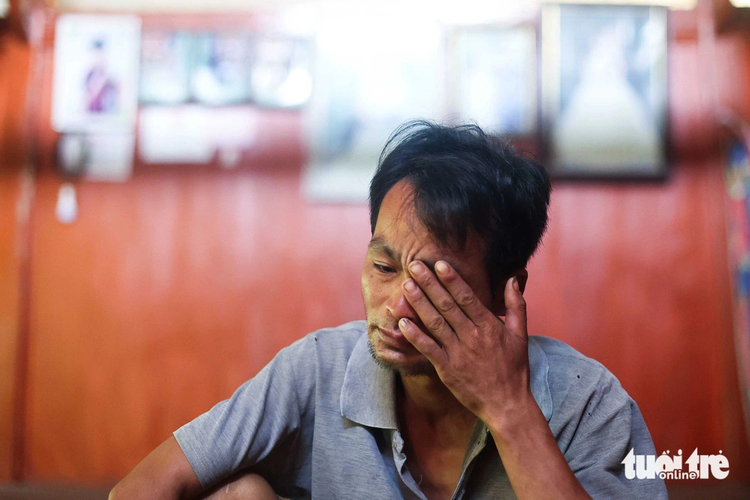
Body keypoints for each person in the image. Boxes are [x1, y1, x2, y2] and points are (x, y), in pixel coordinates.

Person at [110, 122, 667, 499]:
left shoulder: (589, 402)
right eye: (383, 266)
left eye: (435, 286)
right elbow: (139, 488)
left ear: (507, 292)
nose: (398, 305)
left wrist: (509, 409)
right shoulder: (319, 369)